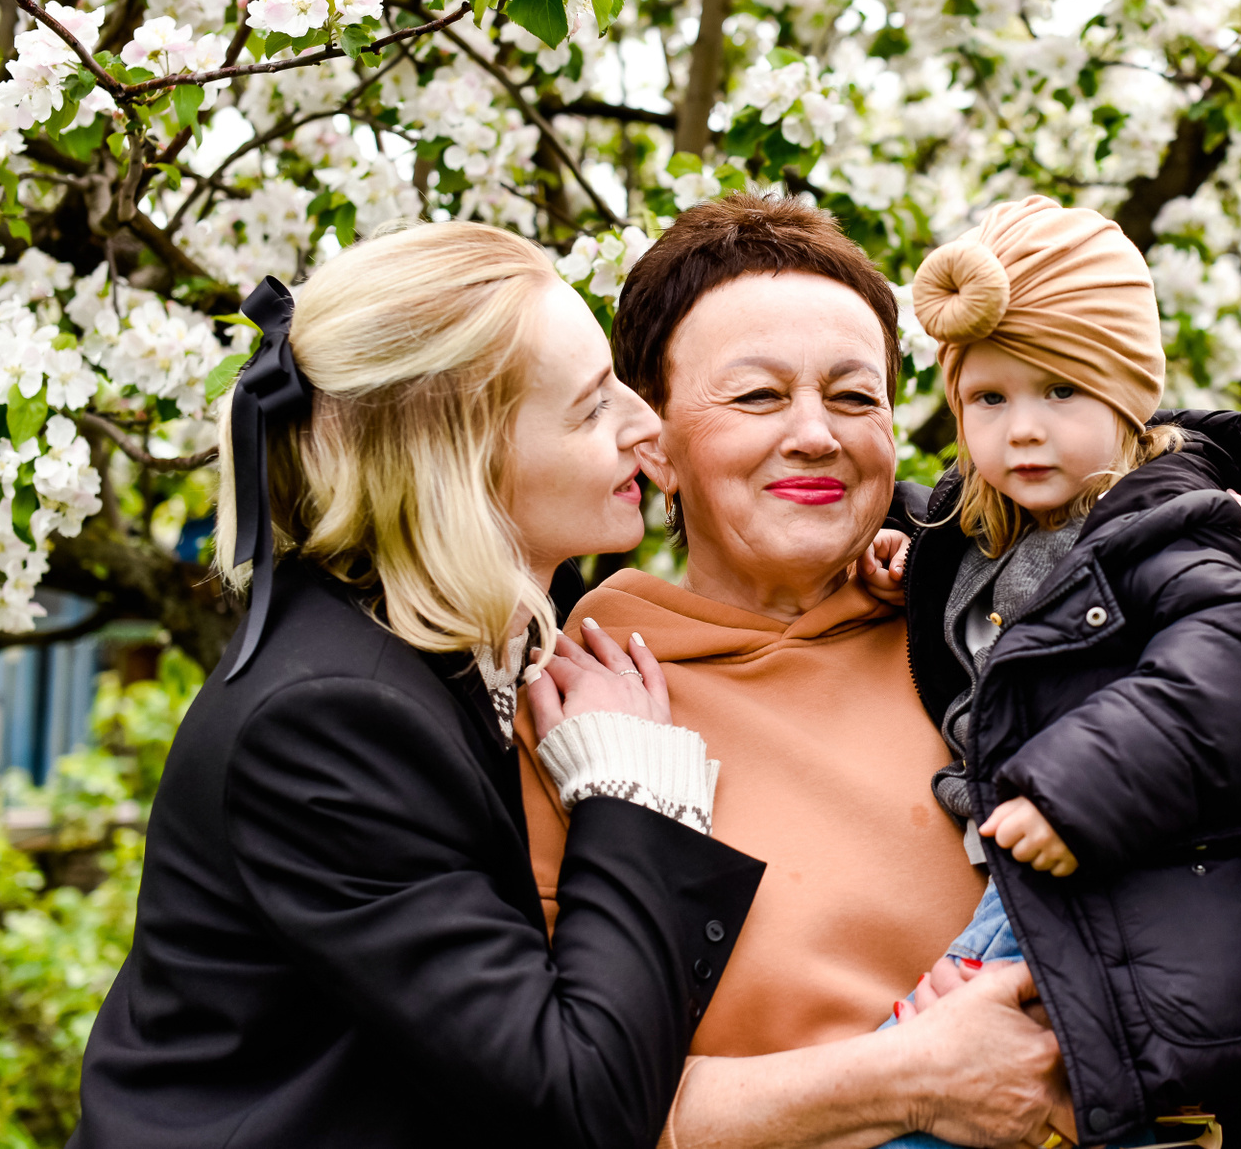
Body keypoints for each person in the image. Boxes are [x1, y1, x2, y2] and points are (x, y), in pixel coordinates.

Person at [69, 222, 766, 1148]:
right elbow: (581, 1107)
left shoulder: (456, 635)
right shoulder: (330, 721)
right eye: (593, 408)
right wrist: (628, 792)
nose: (647, 425)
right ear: (461, 462)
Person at [516, 194, 1073, 1149]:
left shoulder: (990, 635)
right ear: (653, 442)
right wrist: (907, 1081)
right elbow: (551, 1102)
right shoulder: (574, 704)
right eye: (758, 397)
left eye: (855, 397)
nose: (817, 433)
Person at [860, 196, 1241, 1147]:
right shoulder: (988, 522)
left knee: (909, 1101)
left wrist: (1077, 789)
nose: (1024, 430)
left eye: (1060, 392)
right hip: (1033, 880)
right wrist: (901, 552)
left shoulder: (1172, 527)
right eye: (990, 399)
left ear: (1128, 395)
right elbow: (968, 556)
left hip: (1112, 875)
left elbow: (1232, 667)